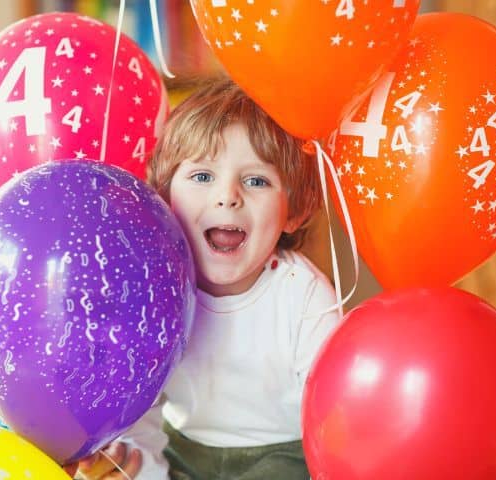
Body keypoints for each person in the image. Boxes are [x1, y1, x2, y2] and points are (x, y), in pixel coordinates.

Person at [66, 77, 341, 480]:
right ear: (164, 195)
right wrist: (138, 464)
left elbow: (336, 416)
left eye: (256, 180)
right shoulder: (154, 289)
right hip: (184, 454)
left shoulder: (303, 295)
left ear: (294, 211)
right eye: (202, 177)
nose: (227, 196)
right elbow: (142, 405)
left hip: (283, 459)